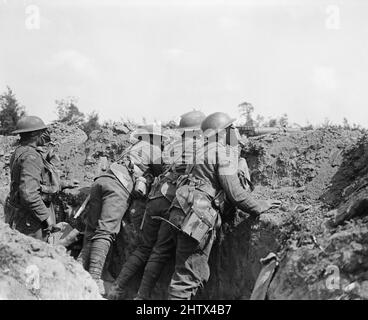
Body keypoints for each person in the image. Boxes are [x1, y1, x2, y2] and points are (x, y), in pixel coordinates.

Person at [134, 112, 281, 300]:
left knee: (180, 267)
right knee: (187, 276)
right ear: (223, 132)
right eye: (231, 129)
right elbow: (236, 194)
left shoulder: (199, 149)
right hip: (198, 215)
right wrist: (260, 205)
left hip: (178, 211)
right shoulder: (223, 152)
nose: (235, 132)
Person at [107, 110, 206, 299]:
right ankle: (143, 297)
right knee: (162, 251)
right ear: (198, 130)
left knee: (145, 248)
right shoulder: (201, 147)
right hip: (174, 203)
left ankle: (118, 289)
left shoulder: (170, 146)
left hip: (154, 198)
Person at [78, 125, 167, 295]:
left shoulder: (131, 148)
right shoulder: (153, 149)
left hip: (101, 180)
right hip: (118, 185)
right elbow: (162, 172)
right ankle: (94, 280)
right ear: (156, 138)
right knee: (106, 231)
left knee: (92, 231)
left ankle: (77, 269)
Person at [5, 116, 66, 242]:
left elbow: (35, 182)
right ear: (35, 134)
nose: (47, 134)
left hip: (24, 215)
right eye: (43, 131)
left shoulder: (21, 151)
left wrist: (63, 184)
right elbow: (29, 193)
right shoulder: (31, 157)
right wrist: (46, 217)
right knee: (35, 257)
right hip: (31, 220)